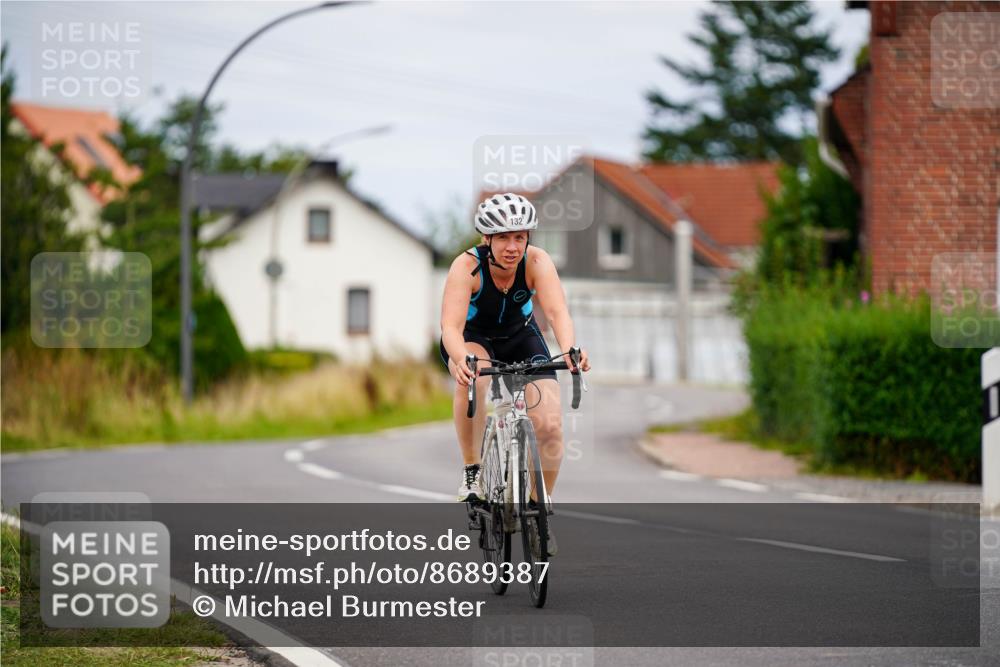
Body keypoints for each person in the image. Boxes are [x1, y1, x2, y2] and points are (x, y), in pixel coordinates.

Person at [439, 193, 591, 517]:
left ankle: (539, 508)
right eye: (503, 237)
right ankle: (472, 471)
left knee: (550, 426)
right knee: (474, 380)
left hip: (521, 336)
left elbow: (557, 312)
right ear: (487, 239)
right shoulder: (467, 267)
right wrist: (460, 358)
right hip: (473, 338)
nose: (512, 247)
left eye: (519, 237)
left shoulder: (537, 262)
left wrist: (570, 349)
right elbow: (450, 327)